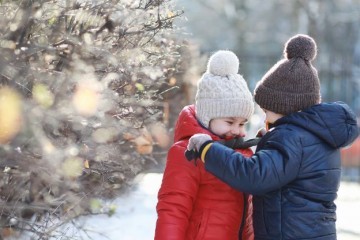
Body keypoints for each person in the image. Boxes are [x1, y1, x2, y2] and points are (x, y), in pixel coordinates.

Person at [187, 34, 359, 240]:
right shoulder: (315, 136)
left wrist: (208, 149)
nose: (264, 116)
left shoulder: (291, 139)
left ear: (283, 108)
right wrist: (269, 140)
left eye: (266, 110)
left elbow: (254, 175)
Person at [154, 50, 255, 240]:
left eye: (242, 124)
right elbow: (173, 208)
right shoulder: (188, 152)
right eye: (229, 122)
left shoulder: (244, 152)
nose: (237, 130)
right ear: (207, 117)